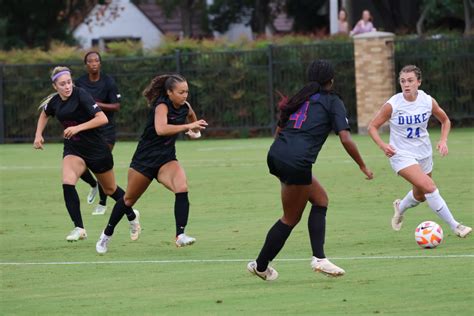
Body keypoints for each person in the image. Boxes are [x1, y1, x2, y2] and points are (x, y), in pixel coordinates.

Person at [247, 60, 374, 281]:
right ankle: (313, 259)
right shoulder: (333, 101)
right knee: (290, 218)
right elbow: (345, 138)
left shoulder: (300, 97)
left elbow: (280, 128)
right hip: (296, 161)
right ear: (331, 79)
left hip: (276, 154)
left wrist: (285, 155)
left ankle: (263, 265)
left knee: (320, 199)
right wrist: (362, 165)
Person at [95, 74, 208, 254]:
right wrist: (188, 127)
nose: (185, 95)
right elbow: (161, 129)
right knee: (128, 200)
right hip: (144, 161)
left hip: (167, 159)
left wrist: (195, 130)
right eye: (181, 92)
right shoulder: (161, 106)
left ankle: (180, 235)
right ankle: (106, 235)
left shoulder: (185, 107)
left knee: (182, 187)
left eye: (186, 91)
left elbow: (192, 120)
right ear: (169, 92)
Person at [33, 66, 139, 242]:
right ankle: (79, 227)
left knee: (110, 189)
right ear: (55, 86)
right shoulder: (54, 101)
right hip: (74, 149)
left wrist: (77, 128)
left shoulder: (81, 94)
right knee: (67, 182)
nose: (67, 86)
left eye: (69, 82)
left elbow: (102, 118)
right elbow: (44, 114)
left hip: (96, 149)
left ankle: (132, 216)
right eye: (62, 84)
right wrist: (38, 135)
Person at [367, 65, 472, 238]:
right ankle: (456, 226)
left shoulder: (427, 100)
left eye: (410, 81)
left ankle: (400, 208)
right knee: (430, 187)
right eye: (402, 81)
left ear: (419, 82)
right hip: (401, 155)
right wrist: (382, 145)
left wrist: (443, 140)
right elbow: (372, 127)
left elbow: (445, 121)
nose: (406, 85)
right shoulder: (393, 104)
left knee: (420, 194)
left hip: (424, 153)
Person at [75, 51, 121, 216]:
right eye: (90, 61)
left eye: (96, 60)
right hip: (86, 130)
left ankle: (102, 203)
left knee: (100, 164)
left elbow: (116, 106)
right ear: (86, 65)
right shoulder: (79, 82)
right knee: (79, 165)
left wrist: (95, 104)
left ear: (100, 63)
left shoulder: (108, 82)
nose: (93, 63)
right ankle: (93, 185)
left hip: (106, 132)